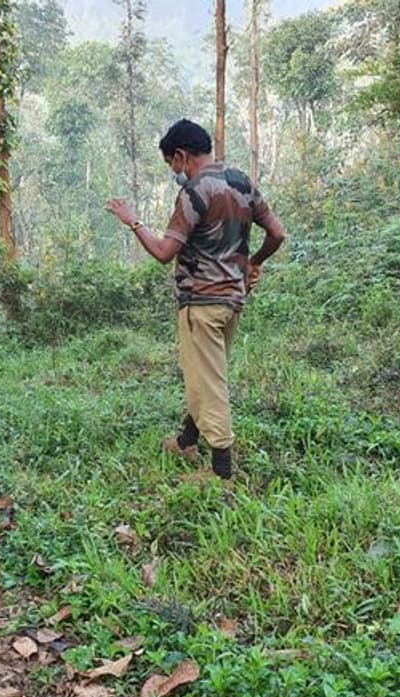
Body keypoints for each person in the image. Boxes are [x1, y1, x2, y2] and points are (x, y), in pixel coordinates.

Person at [105, 119, 286, 480]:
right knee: (204, 375)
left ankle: (221, 471)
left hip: (201, 302)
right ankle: (186, 440)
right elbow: (278, 233)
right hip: (232, 301)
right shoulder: (242, 183)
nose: (175, 171)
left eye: (172, 164)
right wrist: (253, 263)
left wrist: (133, 222)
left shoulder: (194, 192)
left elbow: (163, 251)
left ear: (182, 156)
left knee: (208, 381)